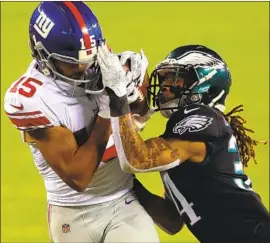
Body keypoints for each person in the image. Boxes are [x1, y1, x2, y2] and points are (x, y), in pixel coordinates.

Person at [4, 2, 159, 242]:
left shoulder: (100, 62)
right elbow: (79, 176)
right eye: (70, 62)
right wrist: (110, 108)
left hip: (123, 199)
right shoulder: (31, 98)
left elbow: (139, 114)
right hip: (72, 214)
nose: (83, 68)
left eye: (89, 59)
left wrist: (133, 93)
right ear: (42, 54)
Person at [98, 44, 270, 243]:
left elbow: (138, 158)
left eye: (176, 79)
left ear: (207, 87)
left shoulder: (203, 117)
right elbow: (171, 220)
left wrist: (117, 96)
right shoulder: (190, 134)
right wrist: (123, 182)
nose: (165, 86)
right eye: (165, 79)